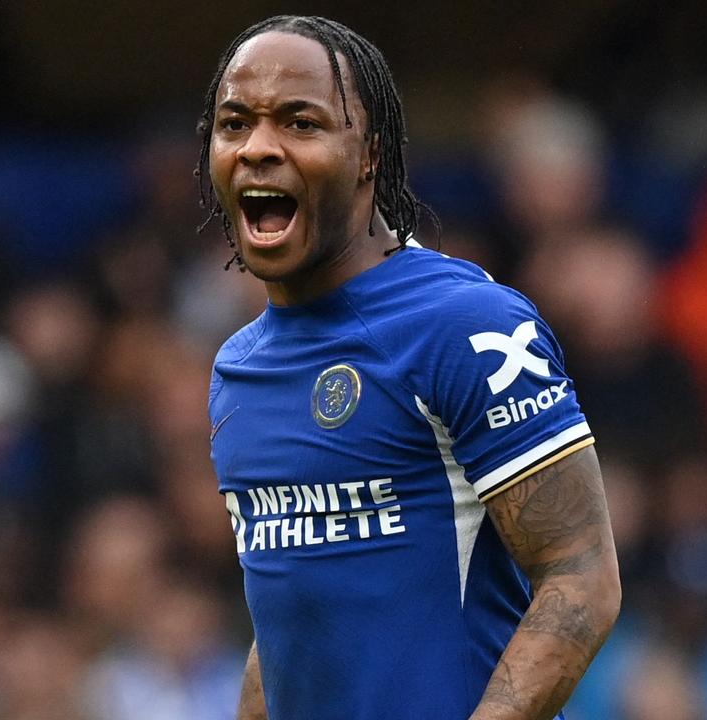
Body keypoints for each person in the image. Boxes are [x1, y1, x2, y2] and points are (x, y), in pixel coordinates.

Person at [199, 16, 620, 720]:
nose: (258, 148)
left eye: (301, 123)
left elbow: (580, 578)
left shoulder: (466, 324)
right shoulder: (236, 371)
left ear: (370, 153)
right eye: (234, 123)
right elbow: (284, 634)